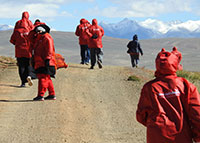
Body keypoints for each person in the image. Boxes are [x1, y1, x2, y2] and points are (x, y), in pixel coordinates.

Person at [136, 49, 200, 143]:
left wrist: (154, 125)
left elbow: (141, 115)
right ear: (175, 64)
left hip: (156, 136)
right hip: (181, 135)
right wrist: (197, 136)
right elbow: (196, 113)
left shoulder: (149, 88)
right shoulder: (186, 85)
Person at [10, 11, 34, 87]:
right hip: (28, 50)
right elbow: (34, 36)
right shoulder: (30, 25)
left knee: (21, 66)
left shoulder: (17, 26)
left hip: (19, 51)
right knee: (29, 64)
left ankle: (23, 82)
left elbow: (12, 39)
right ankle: (29, 75)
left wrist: (17, 44)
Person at [32, 25, 56, 101]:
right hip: (42, 61)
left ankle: (40, 95)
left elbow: (49, 49)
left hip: (45, 61)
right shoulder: (40, 38)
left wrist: (47, 59)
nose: (37, 32)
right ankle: (52, 94)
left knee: (43, 78)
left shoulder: (46, 38)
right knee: (47, 78)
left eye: (39, 31)